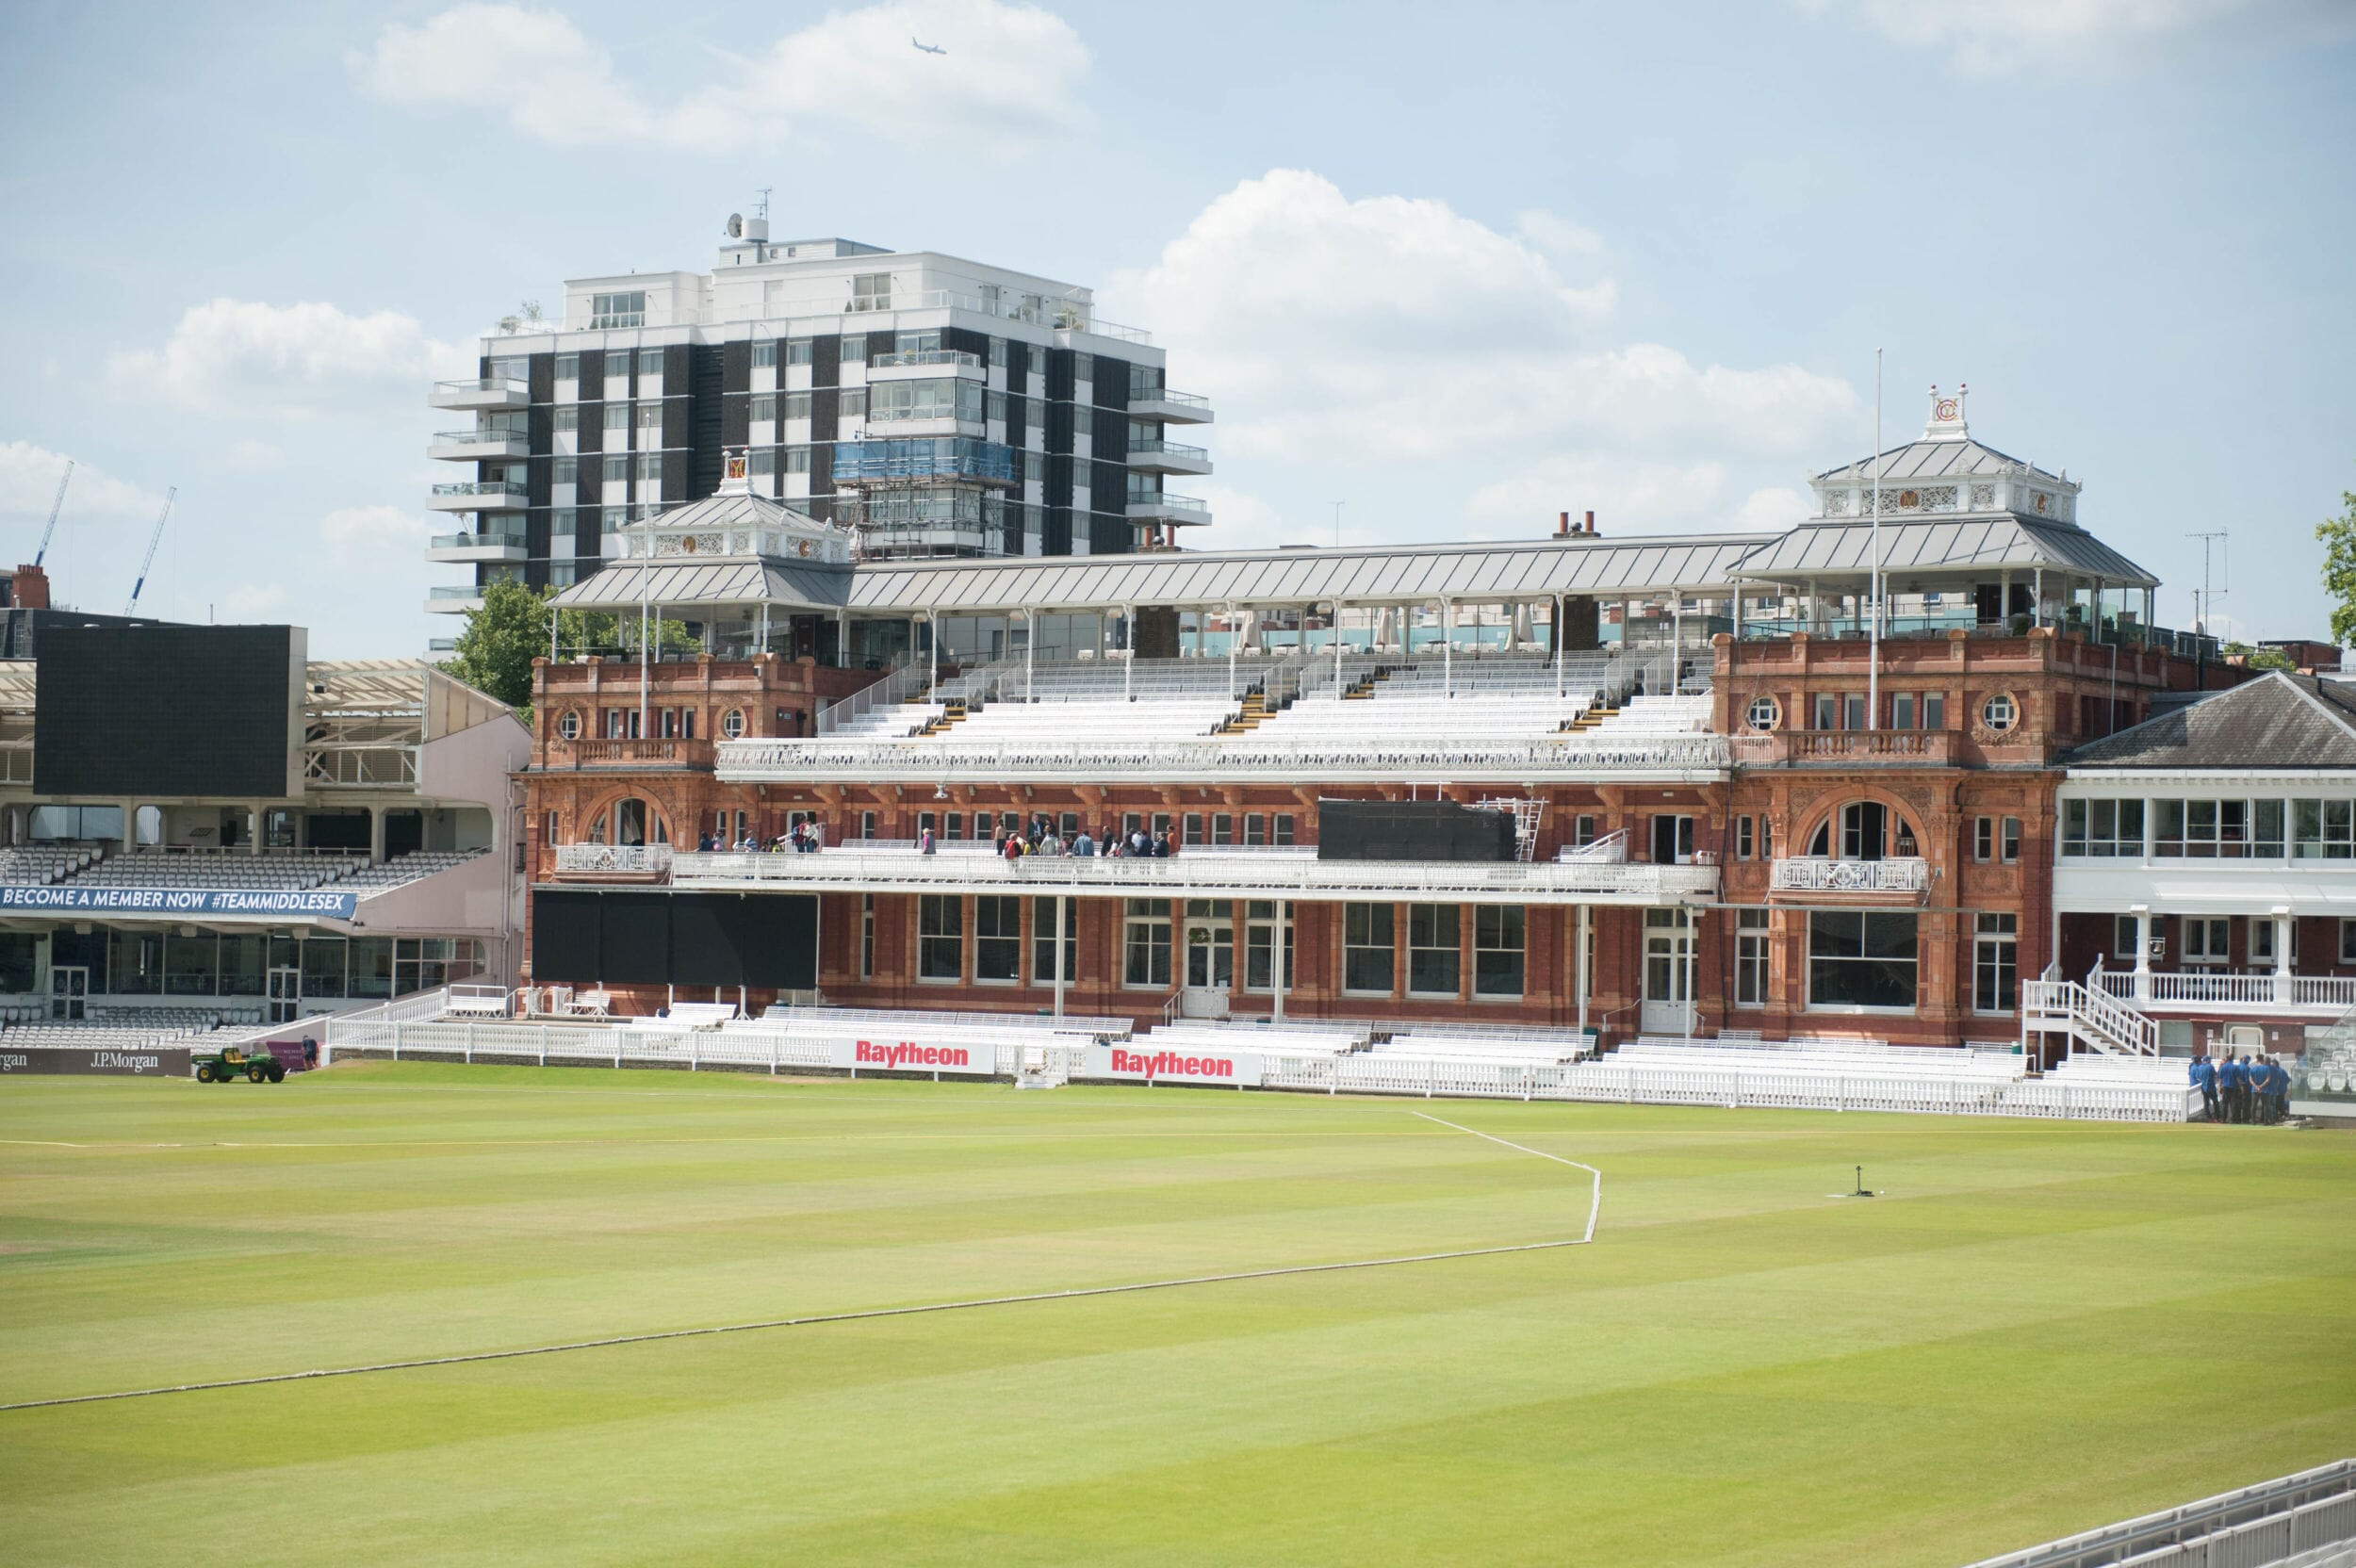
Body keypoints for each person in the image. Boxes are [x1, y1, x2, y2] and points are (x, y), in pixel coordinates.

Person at [2191, 1052, 2219, 1122]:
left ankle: (2209, 1117)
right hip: (2211, 1087)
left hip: (2204, 1087)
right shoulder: (2210, 1066)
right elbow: (2215, 1075)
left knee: (2206, 1103)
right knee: (2215, 1102)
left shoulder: (2200, 1067)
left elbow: (2198, 1077)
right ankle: (2216, 1117)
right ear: (2208, 1060)